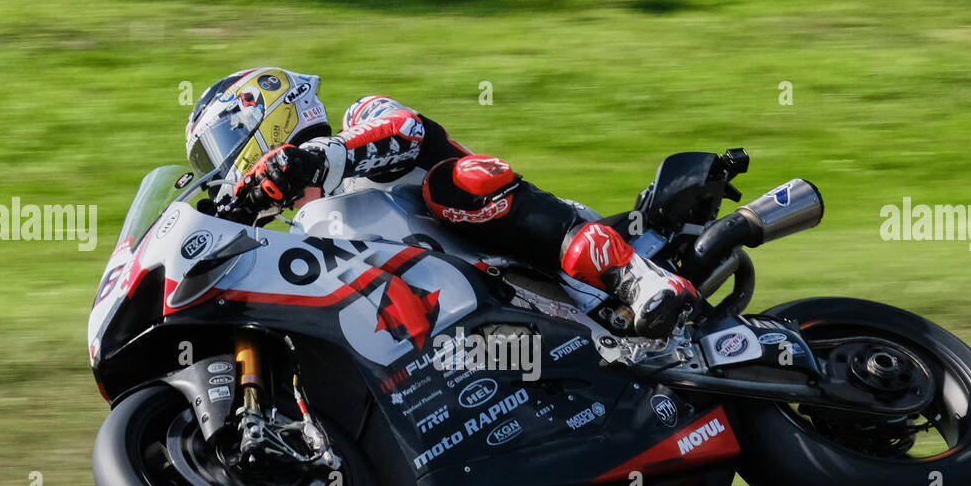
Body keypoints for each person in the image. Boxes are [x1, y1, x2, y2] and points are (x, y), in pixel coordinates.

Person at [184, 67, 698, 338]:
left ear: (264, 113)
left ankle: (637, 276)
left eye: (225, 142)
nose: (226, 166)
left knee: (456, 182)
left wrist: (311, 160)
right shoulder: (307, 232)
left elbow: (405, 132)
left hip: (527, 254)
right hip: (459, 324)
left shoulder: (362, 116)